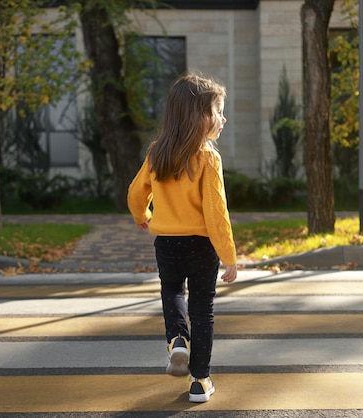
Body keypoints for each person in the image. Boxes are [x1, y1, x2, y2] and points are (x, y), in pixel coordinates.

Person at [127, 72, 238, 403]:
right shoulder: (207, 157)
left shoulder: (158, 152)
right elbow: (216, 213)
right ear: (200, 116)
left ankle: (177, 339)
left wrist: (142, 216)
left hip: (167, 242)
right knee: (203, 309)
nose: (223, 118)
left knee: (172, 290)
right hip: (202, 245)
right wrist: (229, 256)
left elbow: (135, 193)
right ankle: (200, 382)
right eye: (218, 111)